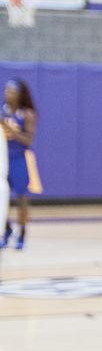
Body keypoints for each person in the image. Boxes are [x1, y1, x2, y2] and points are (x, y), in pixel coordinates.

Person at [1, 78, 41, 250]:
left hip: (20, 158)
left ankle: (22, 233)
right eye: (6, 90)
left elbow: (28, 140)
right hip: (3, 158)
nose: (6, 93)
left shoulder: (27, 114)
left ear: (19, 94)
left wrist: (10, 130)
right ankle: (6, 228)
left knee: (22, 198)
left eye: (11, 90)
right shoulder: (3, 111)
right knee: (2, 196)